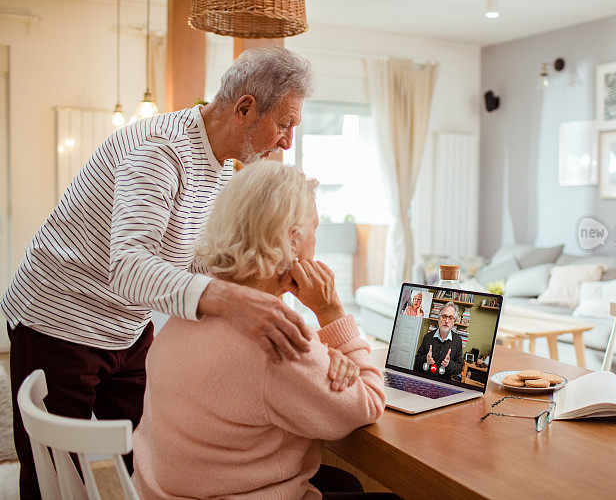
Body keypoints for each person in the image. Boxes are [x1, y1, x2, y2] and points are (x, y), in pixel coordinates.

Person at [3, 47, 319, 498]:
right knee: (57, 471)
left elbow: (187, 256)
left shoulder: (218, 167)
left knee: (149, 449)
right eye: (284, 124)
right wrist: (230, 299)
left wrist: (266, 272)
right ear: (245, 107)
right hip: (60, 316)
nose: (287, 141)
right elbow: (130, 269)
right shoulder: (161, 152)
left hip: (126, 325)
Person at [132, 160, 386, 499]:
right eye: (315, 229)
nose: (316, 241)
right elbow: (368, 402)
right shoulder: (278, 337)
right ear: (293, 242)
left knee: (345, 484)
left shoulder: (194, 302)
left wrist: (324, 356)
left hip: (164, 491)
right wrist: (331, 312)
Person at [413, 302, 464, 378]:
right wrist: (425, 359)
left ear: (454, 322)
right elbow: (417, 361)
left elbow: (459, 369)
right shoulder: (428, 337)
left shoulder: (457, 340)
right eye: (444, 316)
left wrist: (448, 364)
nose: (446, 321)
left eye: (450, 317)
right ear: (439, 318)